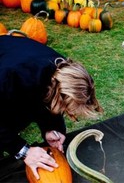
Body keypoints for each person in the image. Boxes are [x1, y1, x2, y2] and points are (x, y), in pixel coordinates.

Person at [0, 35, 103, 180]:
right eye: (65, 108)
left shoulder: (61, 72)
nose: (65, 112)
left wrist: (52, 127)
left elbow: (44, 99)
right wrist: (23, 151)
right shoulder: (11, 76)